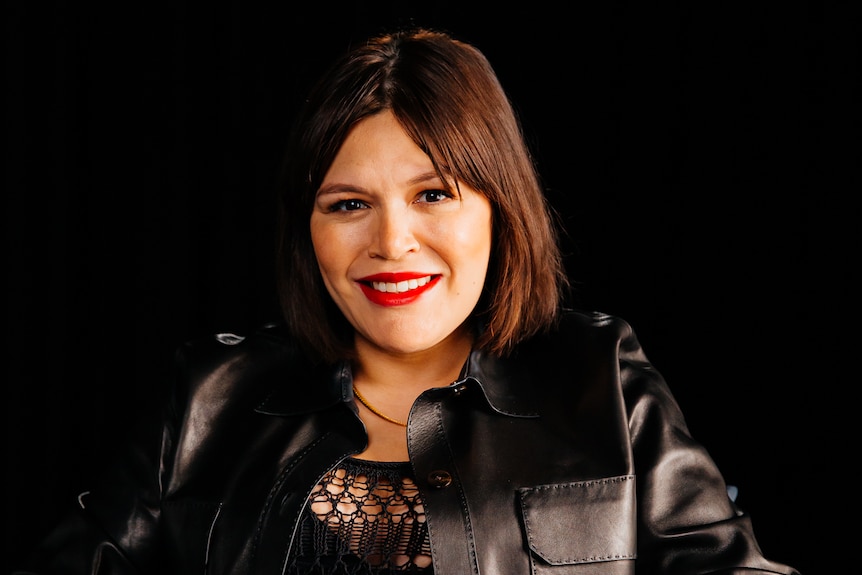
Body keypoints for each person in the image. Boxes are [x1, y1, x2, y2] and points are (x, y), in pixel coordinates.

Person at [14, 27, 800, 575]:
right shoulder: (210, 395)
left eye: (432, 193)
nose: (392, 242)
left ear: (500, 207)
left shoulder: (602, 382)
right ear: (307, 230)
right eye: (348, 204)